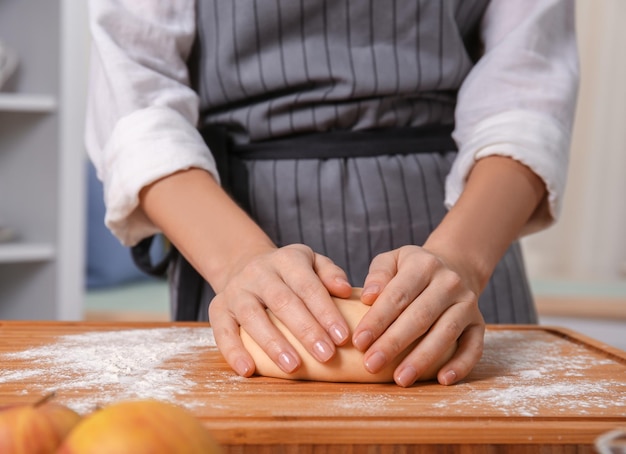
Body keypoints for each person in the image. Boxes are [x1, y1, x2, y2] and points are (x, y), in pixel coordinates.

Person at [85, 0, 579, 388]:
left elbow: (527, 88)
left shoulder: (464, 267)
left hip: (468, 237)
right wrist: (239, 263)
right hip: (230, 235)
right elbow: (137, 100)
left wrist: (464, 262)